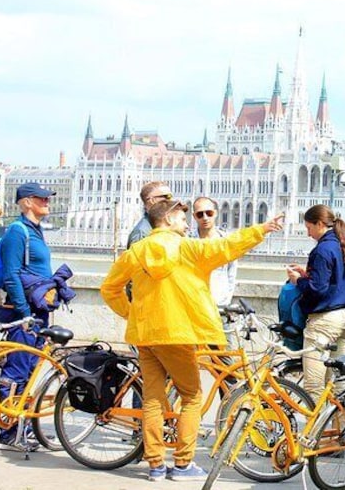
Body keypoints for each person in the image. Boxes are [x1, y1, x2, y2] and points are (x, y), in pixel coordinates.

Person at [100, 198, 284, 481]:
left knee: (152, 400)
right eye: (183, 219)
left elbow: (109, 289)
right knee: (192, 396)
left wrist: (133, 313)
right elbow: (227, 246)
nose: (188, 224)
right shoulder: (189, 248)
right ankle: (183, 464)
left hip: (146, 335)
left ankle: (156, 466)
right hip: (177, 333)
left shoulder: (136, 251)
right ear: (170, 220)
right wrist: (261, 230)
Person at [0, 182, 57, 452]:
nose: (47, 202)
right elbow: (11, 274)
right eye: (41, 198)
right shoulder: (17, 233)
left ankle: (23, 428)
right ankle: (8, 432)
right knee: (17, 370)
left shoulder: (36, 231)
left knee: (31, 372)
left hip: (38, 312)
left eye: (46, 198)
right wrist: (23, 313)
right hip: (24, 313)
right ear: (26, 202)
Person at [287, 204, 345, 402]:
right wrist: (307, 275)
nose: (308, 233)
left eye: (309, 227)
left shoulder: (322, 250)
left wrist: (298, 280)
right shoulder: (344, 243)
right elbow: (333, 281)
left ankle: (315, 433)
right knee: (335, 383)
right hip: (342, 318)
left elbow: (317, 289)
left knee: (314, 385)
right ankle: (338, 428)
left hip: (323, 323)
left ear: (320, 224)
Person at [191, 196, 237, 308]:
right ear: (194, 217)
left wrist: (226, 299)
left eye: (209, 213)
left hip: (220, 305)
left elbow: (231, 273)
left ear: (215, 213)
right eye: (200, 214)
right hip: (195, 306)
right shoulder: (188, 242)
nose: (205, 218)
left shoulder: (226, 241)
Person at [127, 181, 172, 249]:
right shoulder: (142, 232)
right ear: (152, 200)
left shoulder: (162, 226)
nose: (171, 200)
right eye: (167, 196)